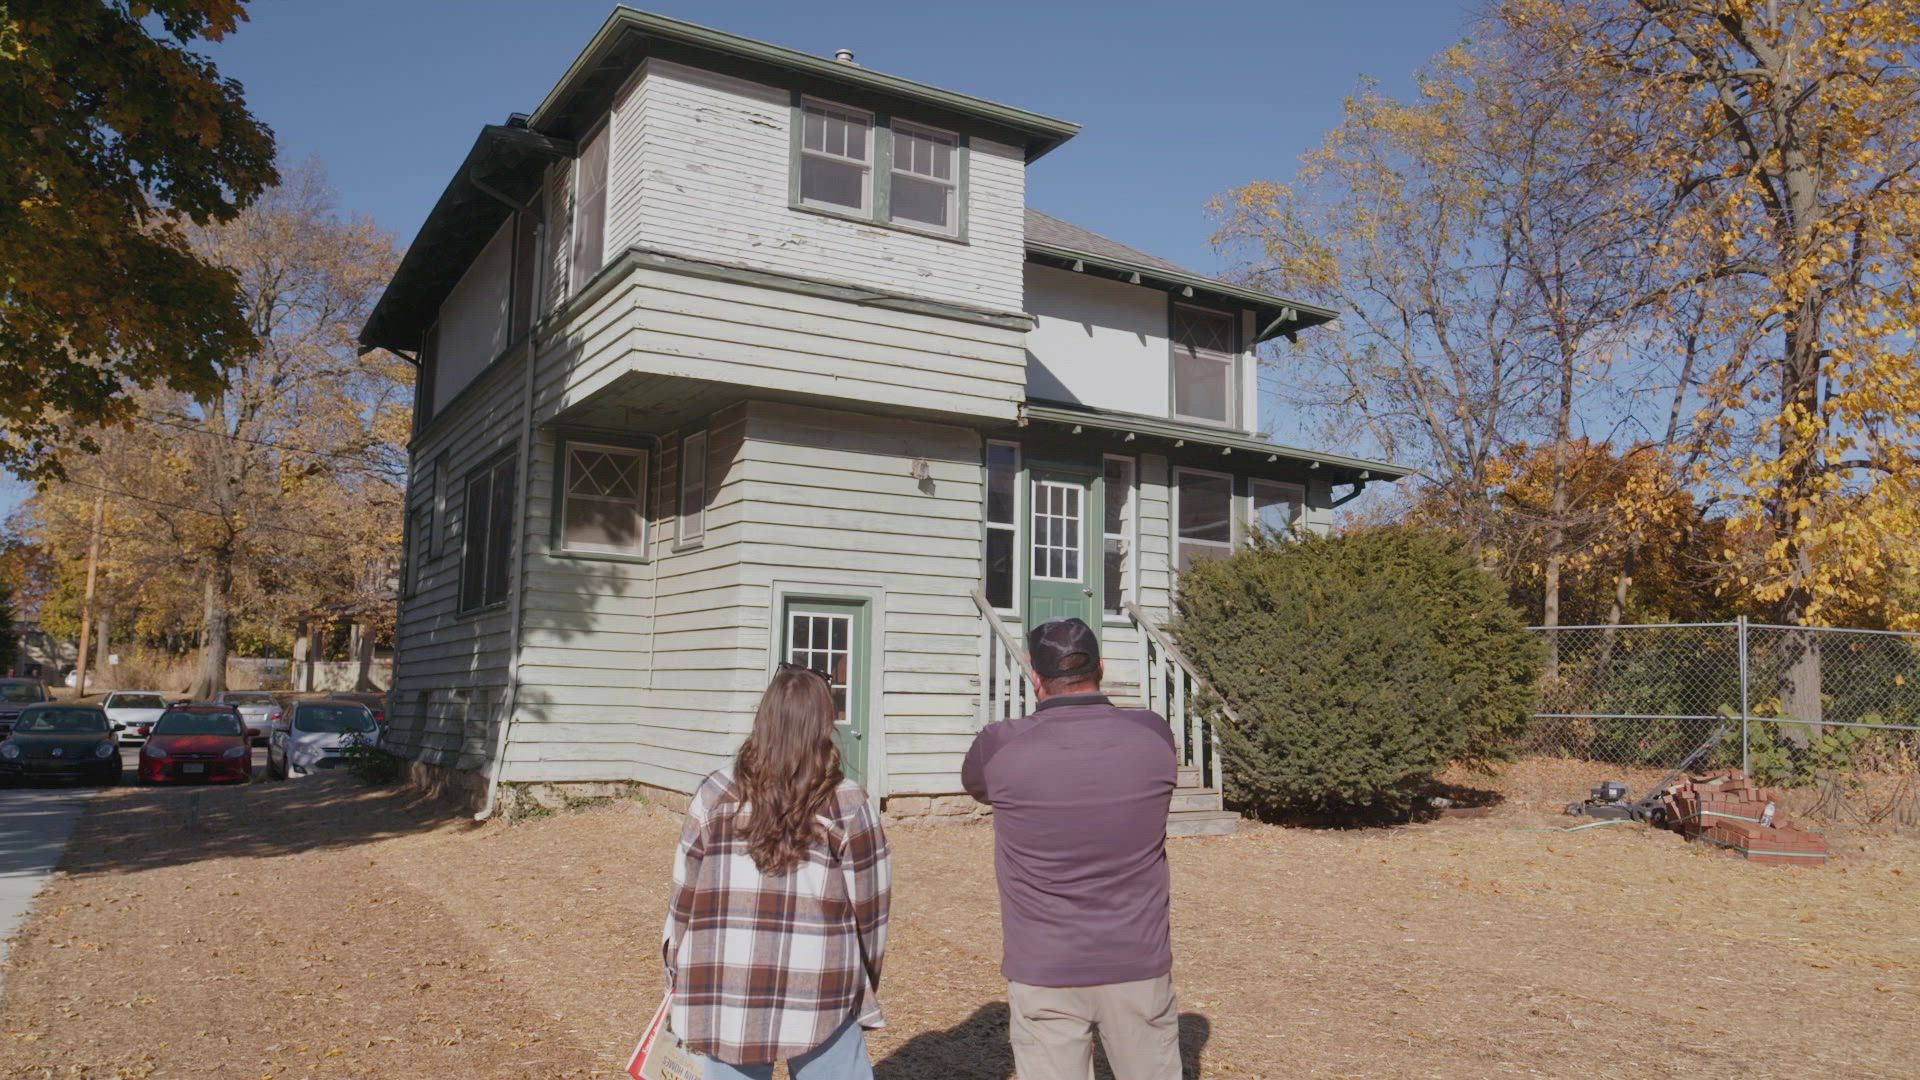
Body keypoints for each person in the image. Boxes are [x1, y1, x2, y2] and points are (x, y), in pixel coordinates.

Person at [962, 617, 1182, 1080]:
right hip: (1137, 959)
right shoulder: (1154, 735)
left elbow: (978, 786)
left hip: (1045, 964)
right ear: (1099, 667)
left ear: (1035, 676)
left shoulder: (998, 745)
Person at [662, 664, 891, 1080]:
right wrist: (865, 980)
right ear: (825, 724)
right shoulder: (848, 804)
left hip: (724, 981)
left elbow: (683, 897)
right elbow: (872, 913)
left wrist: (676, 969)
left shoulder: (714, 792)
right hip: (820, 982)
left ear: (763, 717)